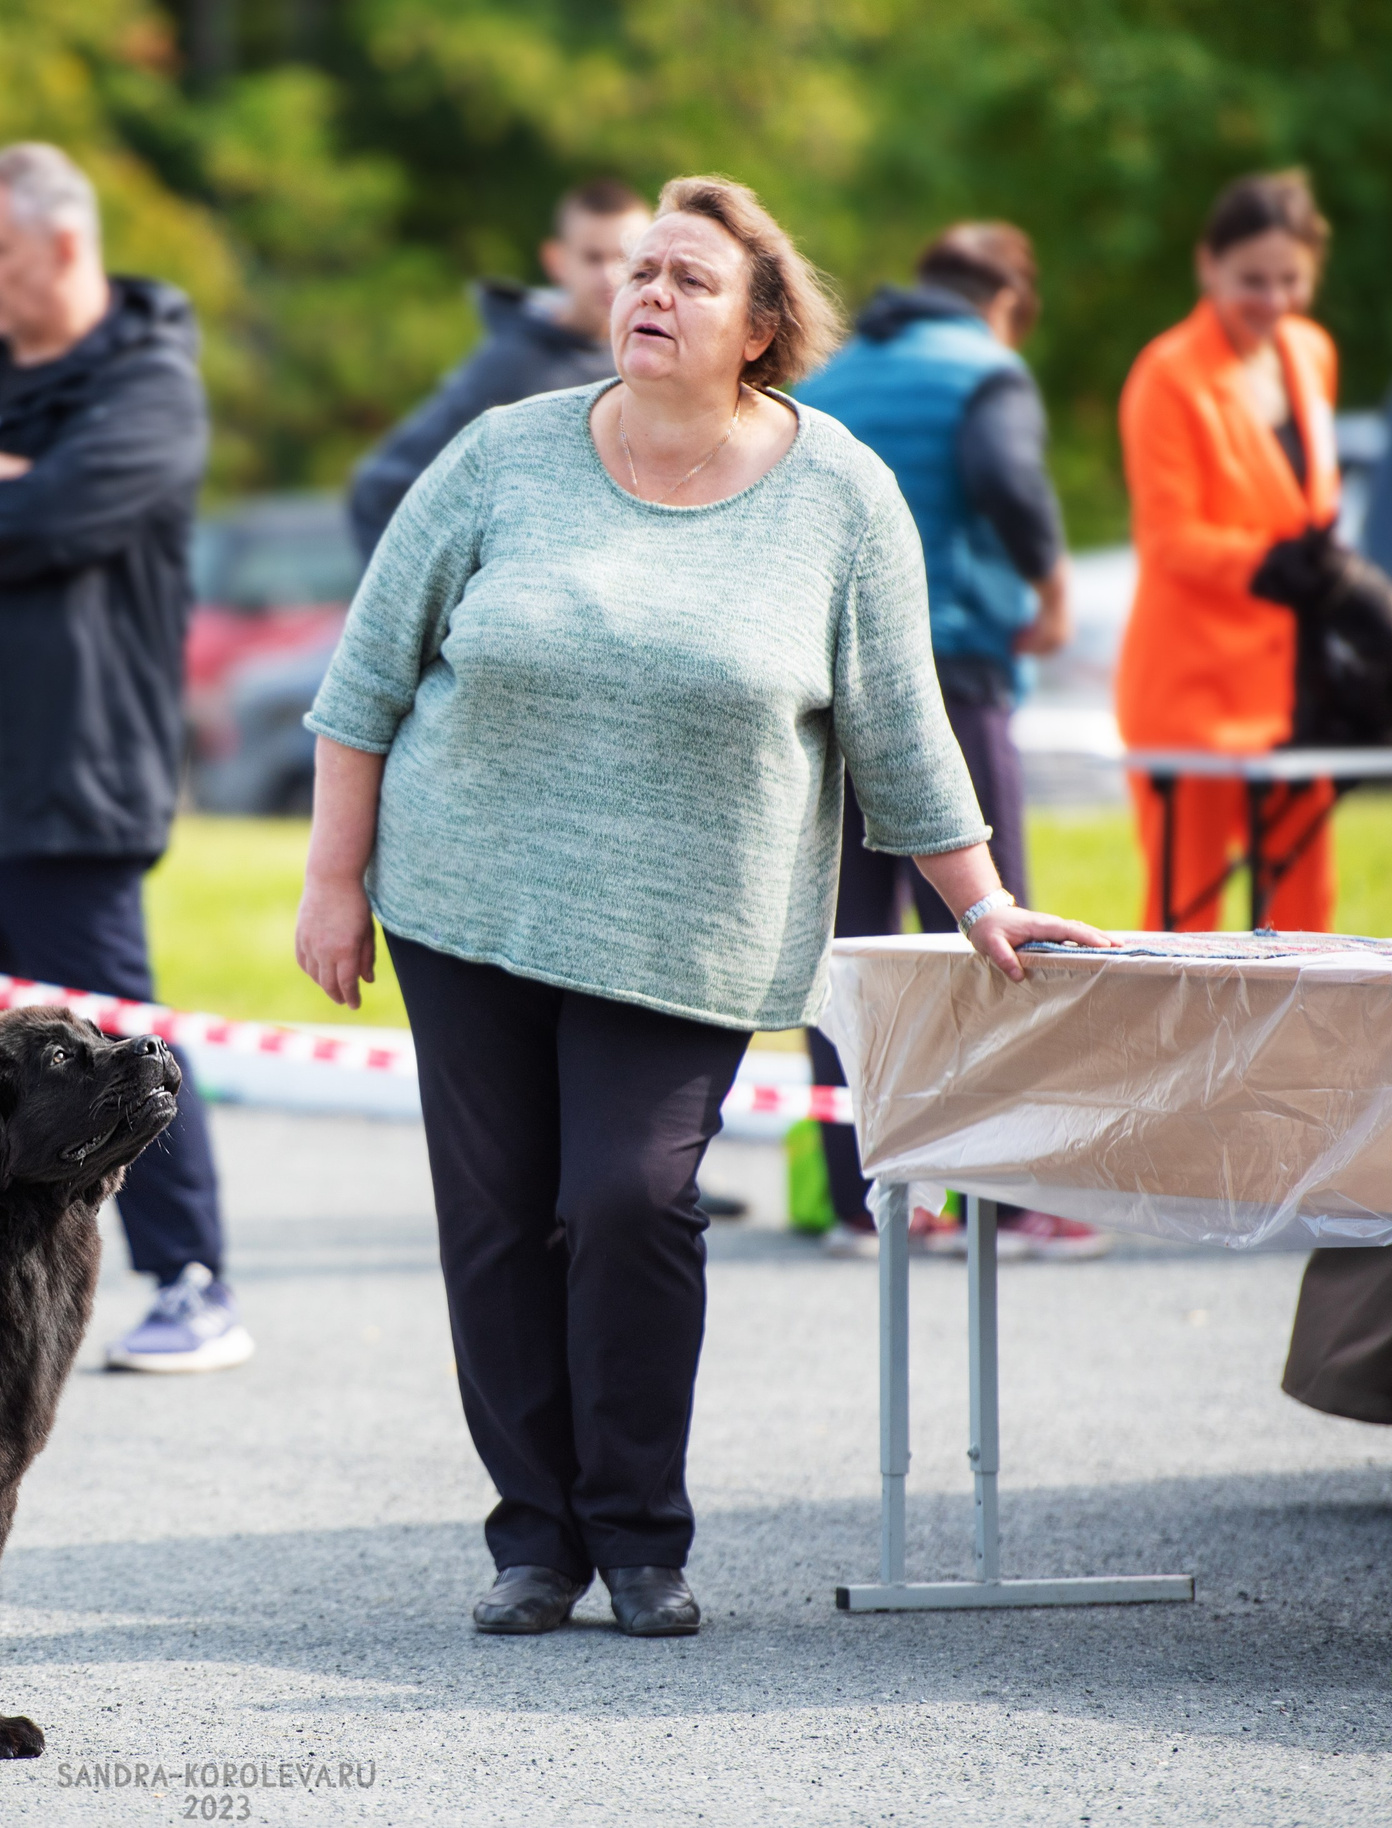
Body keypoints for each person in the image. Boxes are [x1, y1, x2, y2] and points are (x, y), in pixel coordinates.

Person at [294, 175, 1112, 1641]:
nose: (650, 295)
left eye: (688, 278)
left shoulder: (839, 493)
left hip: (687, 931)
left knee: (626, 1197)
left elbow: (901, 725)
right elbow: (367, 680)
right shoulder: (503, 455)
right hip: (464, 900)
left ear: (761, 326)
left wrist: (982, 902)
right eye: (639, 272)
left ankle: (641, 1532)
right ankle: (534, 1539)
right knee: (493, 1220)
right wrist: (332, 880)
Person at [0, 142, 248, 1373]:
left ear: (65, 246)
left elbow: (63, 516)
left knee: (118, 1033)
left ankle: (193, 1277)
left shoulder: (153, 383)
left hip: (77, 774)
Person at [792, 222, 1105, 1261]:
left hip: (825, 683)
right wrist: (1051, 588)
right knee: (988, 934)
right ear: (1009, 300)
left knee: (853, 950)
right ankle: (1002, 1203)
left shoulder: (836, 373)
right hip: (949, 679)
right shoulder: (985, 369)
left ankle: (859, 1200)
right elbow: (1007, 481)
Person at [1115, 170, 1341, 933]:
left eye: (1290, 280)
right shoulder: (1168, 375)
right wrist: (1267, 564)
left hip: (1294, 693)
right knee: (1189, 915)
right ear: (1207, 267)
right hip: (1193, 690)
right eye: (1252, 280)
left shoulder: (1312, 353)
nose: (1272, 301)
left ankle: (1301, 1060)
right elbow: (1168, 536)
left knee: (1308, 910)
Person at [347, 179, 652, 559]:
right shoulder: (512, 367)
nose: (610, 275)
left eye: (626, 258)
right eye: (593, 258)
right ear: (557, 261)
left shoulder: (657, 363)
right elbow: (384, 488)